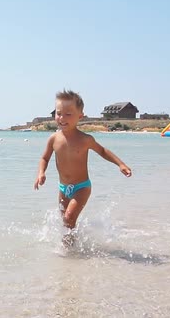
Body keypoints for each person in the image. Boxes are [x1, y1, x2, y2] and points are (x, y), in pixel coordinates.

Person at [33, 90, 132, 246]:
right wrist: (41, 173)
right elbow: (44, 158)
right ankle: (69, 251)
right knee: (66, 224)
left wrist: (120, 164)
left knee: (69, 218)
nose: (62, 118)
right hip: (62, 188)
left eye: (68, 114)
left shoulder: (85, 139)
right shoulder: (53, 138)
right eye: (58, 113)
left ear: (80, 116)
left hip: (82, 187)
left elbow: (103, 151)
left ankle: (73, 251)